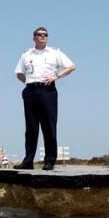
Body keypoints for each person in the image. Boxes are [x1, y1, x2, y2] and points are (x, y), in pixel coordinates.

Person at [13, 26, 75, 170]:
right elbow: (19, 73)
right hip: (30, 91)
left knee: (49, 126)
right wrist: (29, 82)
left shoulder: (54, 53)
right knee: (31, 128)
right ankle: (28, 161)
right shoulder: (26, 54)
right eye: (39, 35)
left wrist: (57, 75)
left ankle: (49, 160)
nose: (42, 37)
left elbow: (71, 67)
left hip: (48, 91)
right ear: (34, 37)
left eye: (45, 35)